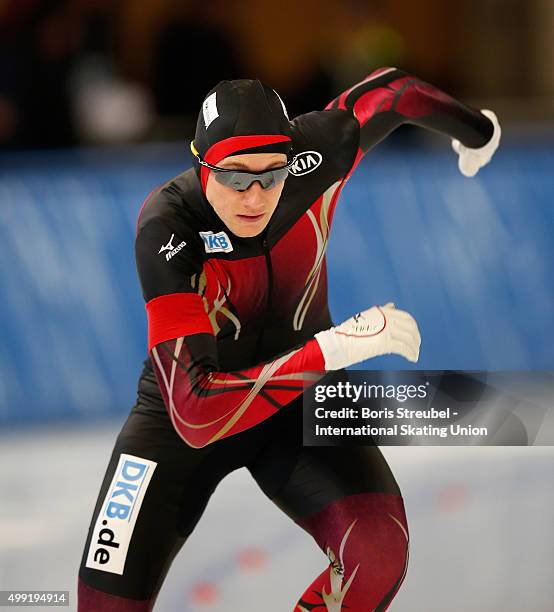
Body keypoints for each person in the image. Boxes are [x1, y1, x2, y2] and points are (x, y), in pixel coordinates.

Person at [77, 68, 500, 611]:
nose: (254, 197)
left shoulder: (320, 152)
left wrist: (475, 130)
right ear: (199, 164)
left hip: (299, 405)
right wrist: (335, 349)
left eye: (271, 175)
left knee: (378, 548)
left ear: (292, 159)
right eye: (234, 177)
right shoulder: (168, 226)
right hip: (184, 419)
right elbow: (195, 412)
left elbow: (395, 92)